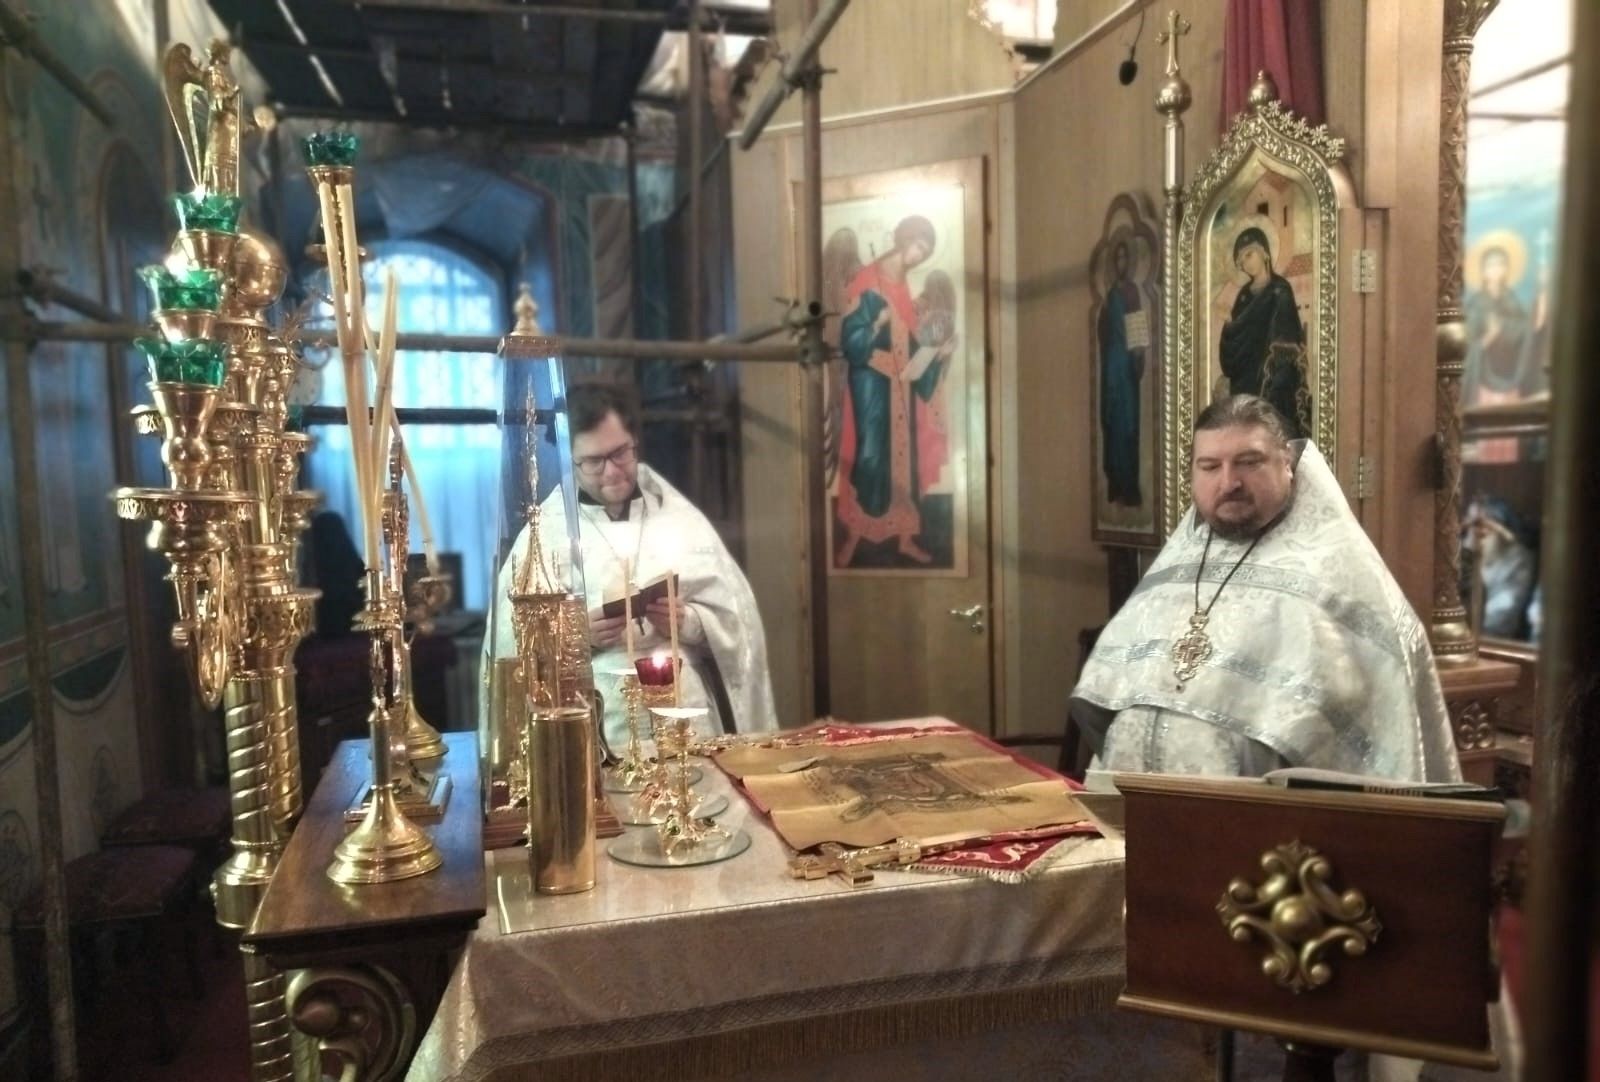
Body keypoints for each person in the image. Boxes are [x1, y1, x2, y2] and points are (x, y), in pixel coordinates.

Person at [1069, 394, 1459, 782]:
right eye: (1210, 466)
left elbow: (1371, 709)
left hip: (1264, 811)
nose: (1229, 482)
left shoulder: (1337, 571)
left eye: (1249, 462)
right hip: (1131, 802)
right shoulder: (1180, 560)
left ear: (1287, 462)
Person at [489, 383, 775, 748]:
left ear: (634, 443)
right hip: (599, 726)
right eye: (594, 461)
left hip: (688, 717)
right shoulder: (546, 533)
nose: (611, 471)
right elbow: (509, 648)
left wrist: (688, 622)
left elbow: (738, 622)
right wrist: (578, 637)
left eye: (620, 453)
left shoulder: (679, 517)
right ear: (570, 461)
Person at [835, 214, 957, 567]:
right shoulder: (867, 279)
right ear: (904, 239)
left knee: (906, 463)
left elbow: (912, 343)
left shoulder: (904, 286)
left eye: (925, 252)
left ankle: (905, 539)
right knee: (870, 458)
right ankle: (854, 538)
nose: (918, 255)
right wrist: (876, 322)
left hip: (901, 387)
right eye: (918, 246)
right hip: (871, 384)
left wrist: (937, 354)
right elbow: (851, 343)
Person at [1217, 227, 1311, 439]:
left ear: (1264, 253)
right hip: (1245, 380)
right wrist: (1229, 326)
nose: (1246, 264)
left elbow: (1287, 342)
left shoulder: (1280, 291)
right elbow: (1234, 345)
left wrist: (1275, 378)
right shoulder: (1243, 296)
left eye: (1249, 255)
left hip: (1273, 379)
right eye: (1241, 262)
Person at [1097, 239, 1147, 507]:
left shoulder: (1132, 293)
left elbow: (1137, 329)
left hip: (1126, 368)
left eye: (1125, 258)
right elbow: (1102, 332)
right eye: (1117, 258)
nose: (1121, 263)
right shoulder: (1109, 296)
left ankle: (1129, 485)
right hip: (1111, 367)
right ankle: (1115, 483)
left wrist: (1137, 358)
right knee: (1112, 423)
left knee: (1128, 425)